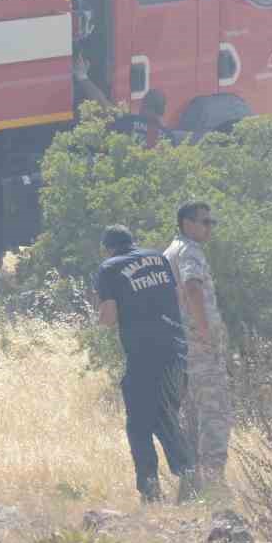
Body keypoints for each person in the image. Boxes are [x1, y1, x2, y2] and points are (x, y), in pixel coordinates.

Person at [96, 224, 194, 503]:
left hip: (143, 357)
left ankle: (150, 493)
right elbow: (178, 298)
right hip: (176, 351)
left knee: (138, 426)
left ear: (108, 248)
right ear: (133, 241)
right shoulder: (158, 258)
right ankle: (190, 481)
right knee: (166, 418)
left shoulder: (110, 268)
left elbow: (108, 318)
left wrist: (99, 313)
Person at [165, 202, 232, 495]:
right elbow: (192, 288)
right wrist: (205, 332)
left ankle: (190, 487)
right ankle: (215, 485)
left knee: (190, 416)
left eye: (211, 222)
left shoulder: (171, 251)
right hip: (200, 348)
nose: (209, 227)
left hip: (181, 347)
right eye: (205, 222)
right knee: (215, 413)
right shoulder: (190, 251)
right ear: (187, 224)